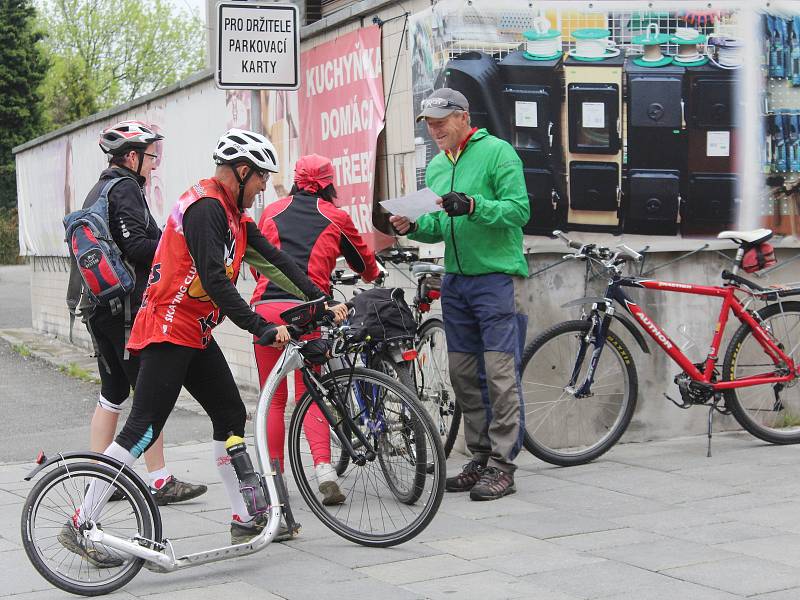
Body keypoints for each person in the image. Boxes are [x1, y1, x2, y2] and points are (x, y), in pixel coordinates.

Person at [60, 129, 348, 567]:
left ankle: (243, 517)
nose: (264, 187)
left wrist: (319, 298)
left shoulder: (234, 213)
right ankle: (81, 521)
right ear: (242, 170)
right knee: (143, 429)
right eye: (261, 178)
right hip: (166, 329)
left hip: (194, 331)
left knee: (230, 414)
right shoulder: (205, 209)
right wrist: (260, 327)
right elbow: (214, 279)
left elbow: (275, 259)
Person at [389, 88, 529, 501]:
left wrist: (473, 205)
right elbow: (438, 225)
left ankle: (503, 466)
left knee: (500, 374)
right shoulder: (435, 166)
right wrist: (412, 227)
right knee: (463, 375)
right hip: (456, 280)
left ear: (464, 118)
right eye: (428, 124)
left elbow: (519, 210)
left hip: (496, 279)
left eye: (440, 122)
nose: (434, 130)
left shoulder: (498, 153)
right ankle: (481, 457)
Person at [66, 120, 207, 506]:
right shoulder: (125, 187)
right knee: (149, 392)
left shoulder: (100, 188)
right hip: (124, 309)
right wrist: (175, 243)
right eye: (151, 155)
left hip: (96, 306)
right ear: (132, 156)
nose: (155, 163)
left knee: (112, 393)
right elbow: (138, 246)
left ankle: (101, 479)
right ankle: (159, 480)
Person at [250, 154, 381, 506]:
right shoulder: (335, 217)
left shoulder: (271, 211)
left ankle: (274, 482)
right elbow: (366, 265)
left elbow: (258, 265)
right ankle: (324, 469)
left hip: (267, 310)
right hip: (308, 311)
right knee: (312, 392)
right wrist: (373, 276)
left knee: (273, 399)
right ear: (328, 183)